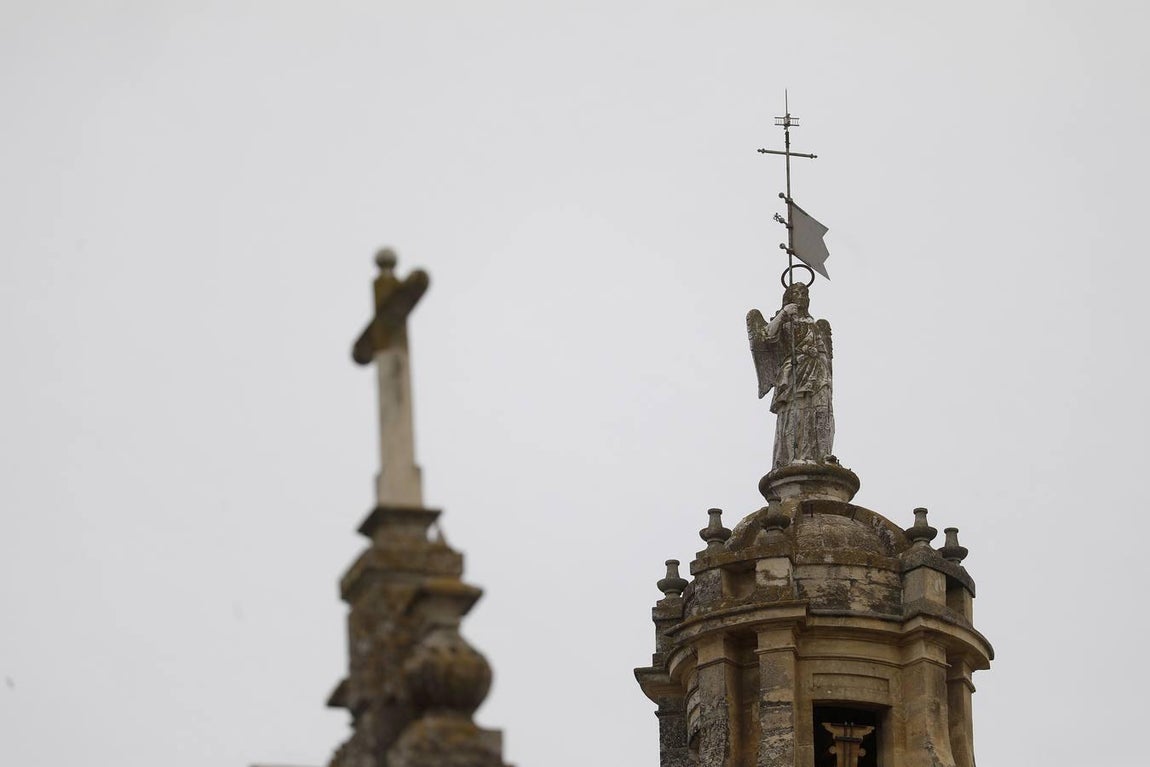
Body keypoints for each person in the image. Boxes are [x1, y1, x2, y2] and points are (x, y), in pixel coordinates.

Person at [746, 282, 834, 469]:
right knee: (796, 413)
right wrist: (784, 313)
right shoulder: (783, 320)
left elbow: (823, 351)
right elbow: (765, 336)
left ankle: (820, 455)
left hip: (817, 372)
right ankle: (793, 456)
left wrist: (824, 370)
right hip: (794, 372)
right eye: (798, 292)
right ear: (789, 297)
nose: (802, 296)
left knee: (819, 411)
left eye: (805, 293)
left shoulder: (815, 325)